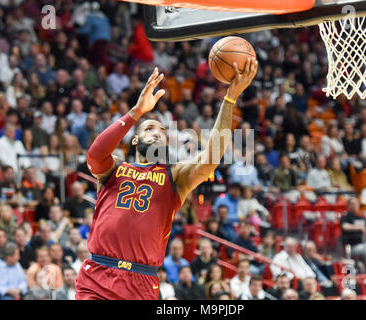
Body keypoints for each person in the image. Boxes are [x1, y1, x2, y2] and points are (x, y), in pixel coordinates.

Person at [75, 63, 257, 300]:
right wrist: (136, 112)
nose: (156, 133)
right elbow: (95, 154)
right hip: (98, 274)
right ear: (135, 139)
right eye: (149, 128)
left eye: (162, 131)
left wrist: (230, 99)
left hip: (142, 280)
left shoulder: (175, 176)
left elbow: (211, 157)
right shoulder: (116, 168)